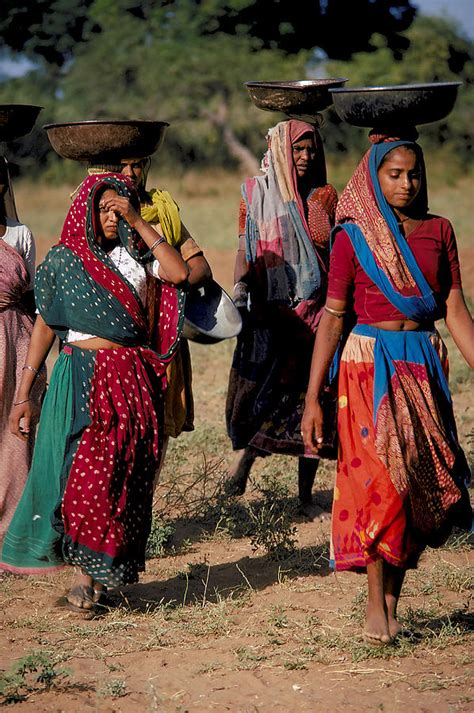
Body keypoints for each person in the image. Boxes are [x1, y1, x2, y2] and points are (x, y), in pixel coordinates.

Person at [302, 131, 473, 644]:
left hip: (422, 363)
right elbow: (333, 317)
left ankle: (394, 595)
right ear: (374, 176)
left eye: (413, 173)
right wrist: (313, 396)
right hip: (365, 365)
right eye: (393, 174)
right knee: (380, 485)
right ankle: (376, 600)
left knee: (418, 484)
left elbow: (456, 311)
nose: (405, 183)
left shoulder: (439, 231)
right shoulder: (352, 237)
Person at [1, 173, 188, 612]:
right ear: (85, 210)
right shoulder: (65, 261)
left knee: (124, 474)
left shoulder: (136, 256)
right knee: (86, 474)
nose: (110, 215)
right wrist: (24, 392)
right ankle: (83, 577)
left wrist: (137, 222)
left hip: (130, 378)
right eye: (103, 208)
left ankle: (105, 575)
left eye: (117, 207)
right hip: (82, 375)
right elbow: (46, 324)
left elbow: (179, 273)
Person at [225, 119, 338, 515]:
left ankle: (305, 497)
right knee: (266, 395)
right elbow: (244, 248)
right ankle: (245, 466)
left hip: (317, 314)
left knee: (314, 395)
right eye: (297, 149)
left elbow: (334, 254)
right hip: (271, 314)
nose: (306, 157)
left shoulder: (325, 196)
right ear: (279, 150)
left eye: (312, 149)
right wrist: (239, 288)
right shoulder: (253, 194)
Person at [119, 157, 212, 472]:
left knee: (156, 426)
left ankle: (146, 504)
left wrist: (168, 280)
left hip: (162, 333)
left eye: (137, 165)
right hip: (119, 336)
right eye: (122, 166)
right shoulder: (99, 212)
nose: (130, 173)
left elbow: (199, 267)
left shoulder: (161, 211)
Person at [0, 158, 46, 550]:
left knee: (15, 434)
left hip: (15, 340)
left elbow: (31, 301)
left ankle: (13, 528)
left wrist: (36, 360)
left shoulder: (20, 236)